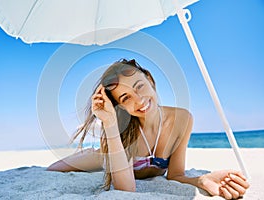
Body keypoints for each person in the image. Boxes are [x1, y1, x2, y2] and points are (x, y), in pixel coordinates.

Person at [47, 59, 249, 199]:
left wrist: (203, 180)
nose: (139, 100)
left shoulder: (182, 120)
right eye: (125, 98)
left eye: (139, 86)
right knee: (54, 168)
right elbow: (126, 190)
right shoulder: (123, 132)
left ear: (150, 81)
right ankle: (89, 152)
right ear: (120, 107)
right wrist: (109, 123)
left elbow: (175, 175)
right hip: (106, 157)